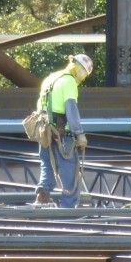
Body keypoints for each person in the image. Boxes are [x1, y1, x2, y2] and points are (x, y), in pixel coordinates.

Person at [35, 54, 93, 207]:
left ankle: (43, 193)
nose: (83, 78)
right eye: (84, 74)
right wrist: (79, 134)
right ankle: (71, 205)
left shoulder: (51, 78)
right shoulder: (69, 82)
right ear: (79, 69)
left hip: (45, 131)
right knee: (69, 168)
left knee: (48, 163)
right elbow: (71, 109)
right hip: (61, 134)